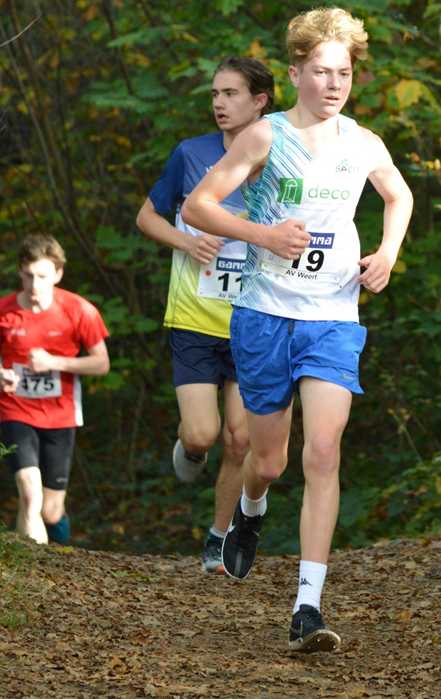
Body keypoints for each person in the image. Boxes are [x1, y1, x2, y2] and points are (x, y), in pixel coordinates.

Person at [181, 7, 413, 652]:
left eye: (343, 73)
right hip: (264, 315)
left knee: (323, 451)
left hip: (334, 317)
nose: (334, 84)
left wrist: (389, 252)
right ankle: (250, 511)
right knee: (270, 459)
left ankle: (307, 606)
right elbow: (200, 204)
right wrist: (263, 234)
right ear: (295, 74)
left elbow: (399, 195)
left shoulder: (364, 142)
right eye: (320, 72)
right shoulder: (264, 136)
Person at [136, 55, 275, 574]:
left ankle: (219, 537)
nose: (218, 103)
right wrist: (185, 241)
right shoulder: (190, 155)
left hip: (252, 319)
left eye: (230, 93)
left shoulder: (282, 160)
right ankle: (191, 449)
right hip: (194, 318)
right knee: (203, 434)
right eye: (214, 94)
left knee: (241, 439)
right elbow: (147, 216)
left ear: (260, 100)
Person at [0, 235, 110, 544]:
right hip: (14, 410)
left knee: (49, 511)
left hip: (60, 416)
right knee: (29, 497)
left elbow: (101, 363)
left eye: (43, 276)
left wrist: (55, 362)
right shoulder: (4, 310)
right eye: (29, 275)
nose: (35, 284)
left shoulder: (79, 310)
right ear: (20, 272)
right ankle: (33, 577)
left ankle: (56, 539)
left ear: (58, 274)